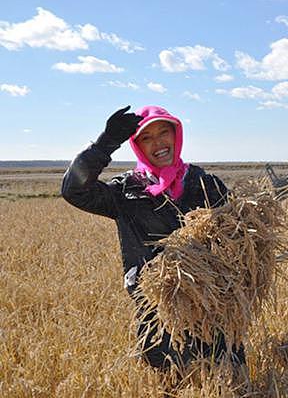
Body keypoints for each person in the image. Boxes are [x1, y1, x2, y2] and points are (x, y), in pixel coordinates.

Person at [61, 105, 246, 372]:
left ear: (176, 135)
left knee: (226, 381)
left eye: (163, 133)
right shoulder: (126, 192)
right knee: (170, 382)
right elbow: (73, 191)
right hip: (157, 313)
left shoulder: (205, 184)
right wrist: (104, 145)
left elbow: (236, 238)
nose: (158, 143)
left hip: (213, 310)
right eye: (146, 138)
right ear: (136, 146)